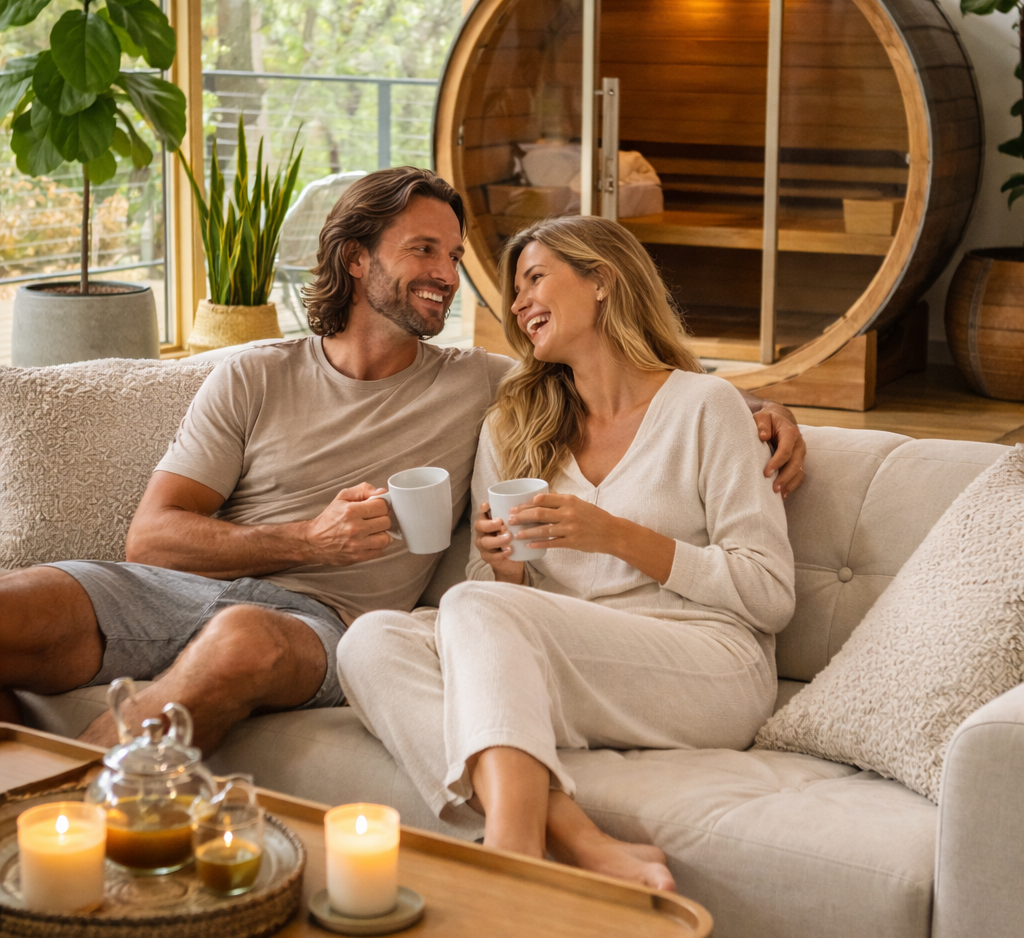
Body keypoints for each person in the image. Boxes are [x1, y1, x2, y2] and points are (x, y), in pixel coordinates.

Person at [0, 170, 804, 756]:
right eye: (424, 250)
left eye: (453, 256)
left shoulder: (482, 386)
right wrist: (307, 538)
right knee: (17, 605)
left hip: (322, 626)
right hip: (178, 590)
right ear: (356, 258)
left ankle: (61, 807)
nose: (448, 276)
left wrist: (761, 408)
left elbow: (622, 376)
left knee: (244, 636)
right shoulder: (255, 374)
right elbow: (150, 540)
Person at [336, 216, 797, 891]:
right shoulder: (513, 422)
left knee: (475, 607)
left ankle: (512, 856)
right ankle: (580, 838)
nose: (519, 303)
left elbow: (769, 594)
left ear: (601, 281)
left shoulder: (707, 407)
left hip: (708, 662)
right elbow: (488, 600)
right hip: (569, 663)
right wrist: (505, 566)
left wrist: (614, 534)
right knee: (370, 641)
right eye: (515, 291)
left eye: (535, 279)